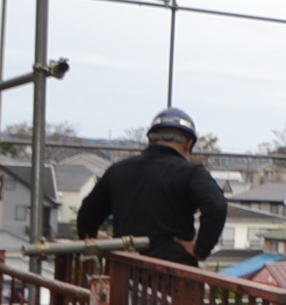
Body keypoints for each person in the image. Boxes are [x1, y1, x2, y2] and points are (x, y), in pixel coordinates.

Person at [75, 107, 229, 267]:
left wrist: (91, 236)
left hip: (125, 271)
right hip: (174, 274)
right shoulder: (191, 173)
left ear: (150, 141)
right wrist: (201, 249)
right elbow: (217, 206)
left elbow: (88, 213)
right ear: (189, 144)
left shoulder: (118, 170)